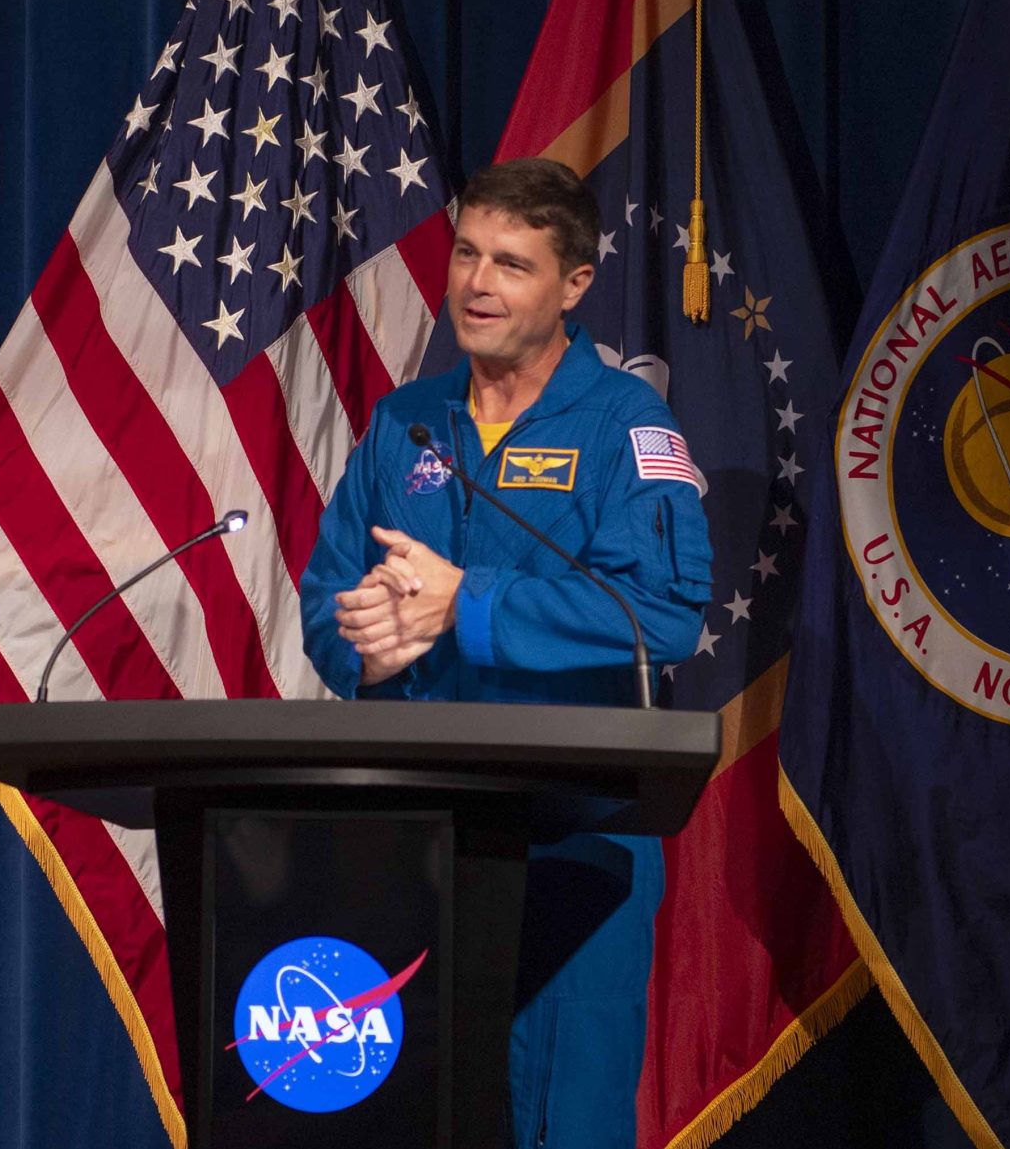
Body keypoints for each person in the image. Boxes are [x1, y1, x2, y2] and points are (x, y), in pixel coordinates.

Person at [298, 158, 713, 1148]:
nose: (477, 285)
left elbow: (664, 614)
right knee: (409, 1112)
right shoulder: (405, 424)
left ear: (572, 284)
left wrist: (464, 605)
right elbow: (327, 597)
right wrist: (367, 645)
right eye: (467, 255)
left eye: (512, 265)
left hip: (574, 834)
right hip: (416, 831)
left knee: (559, 1121)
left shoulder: (626, 427)